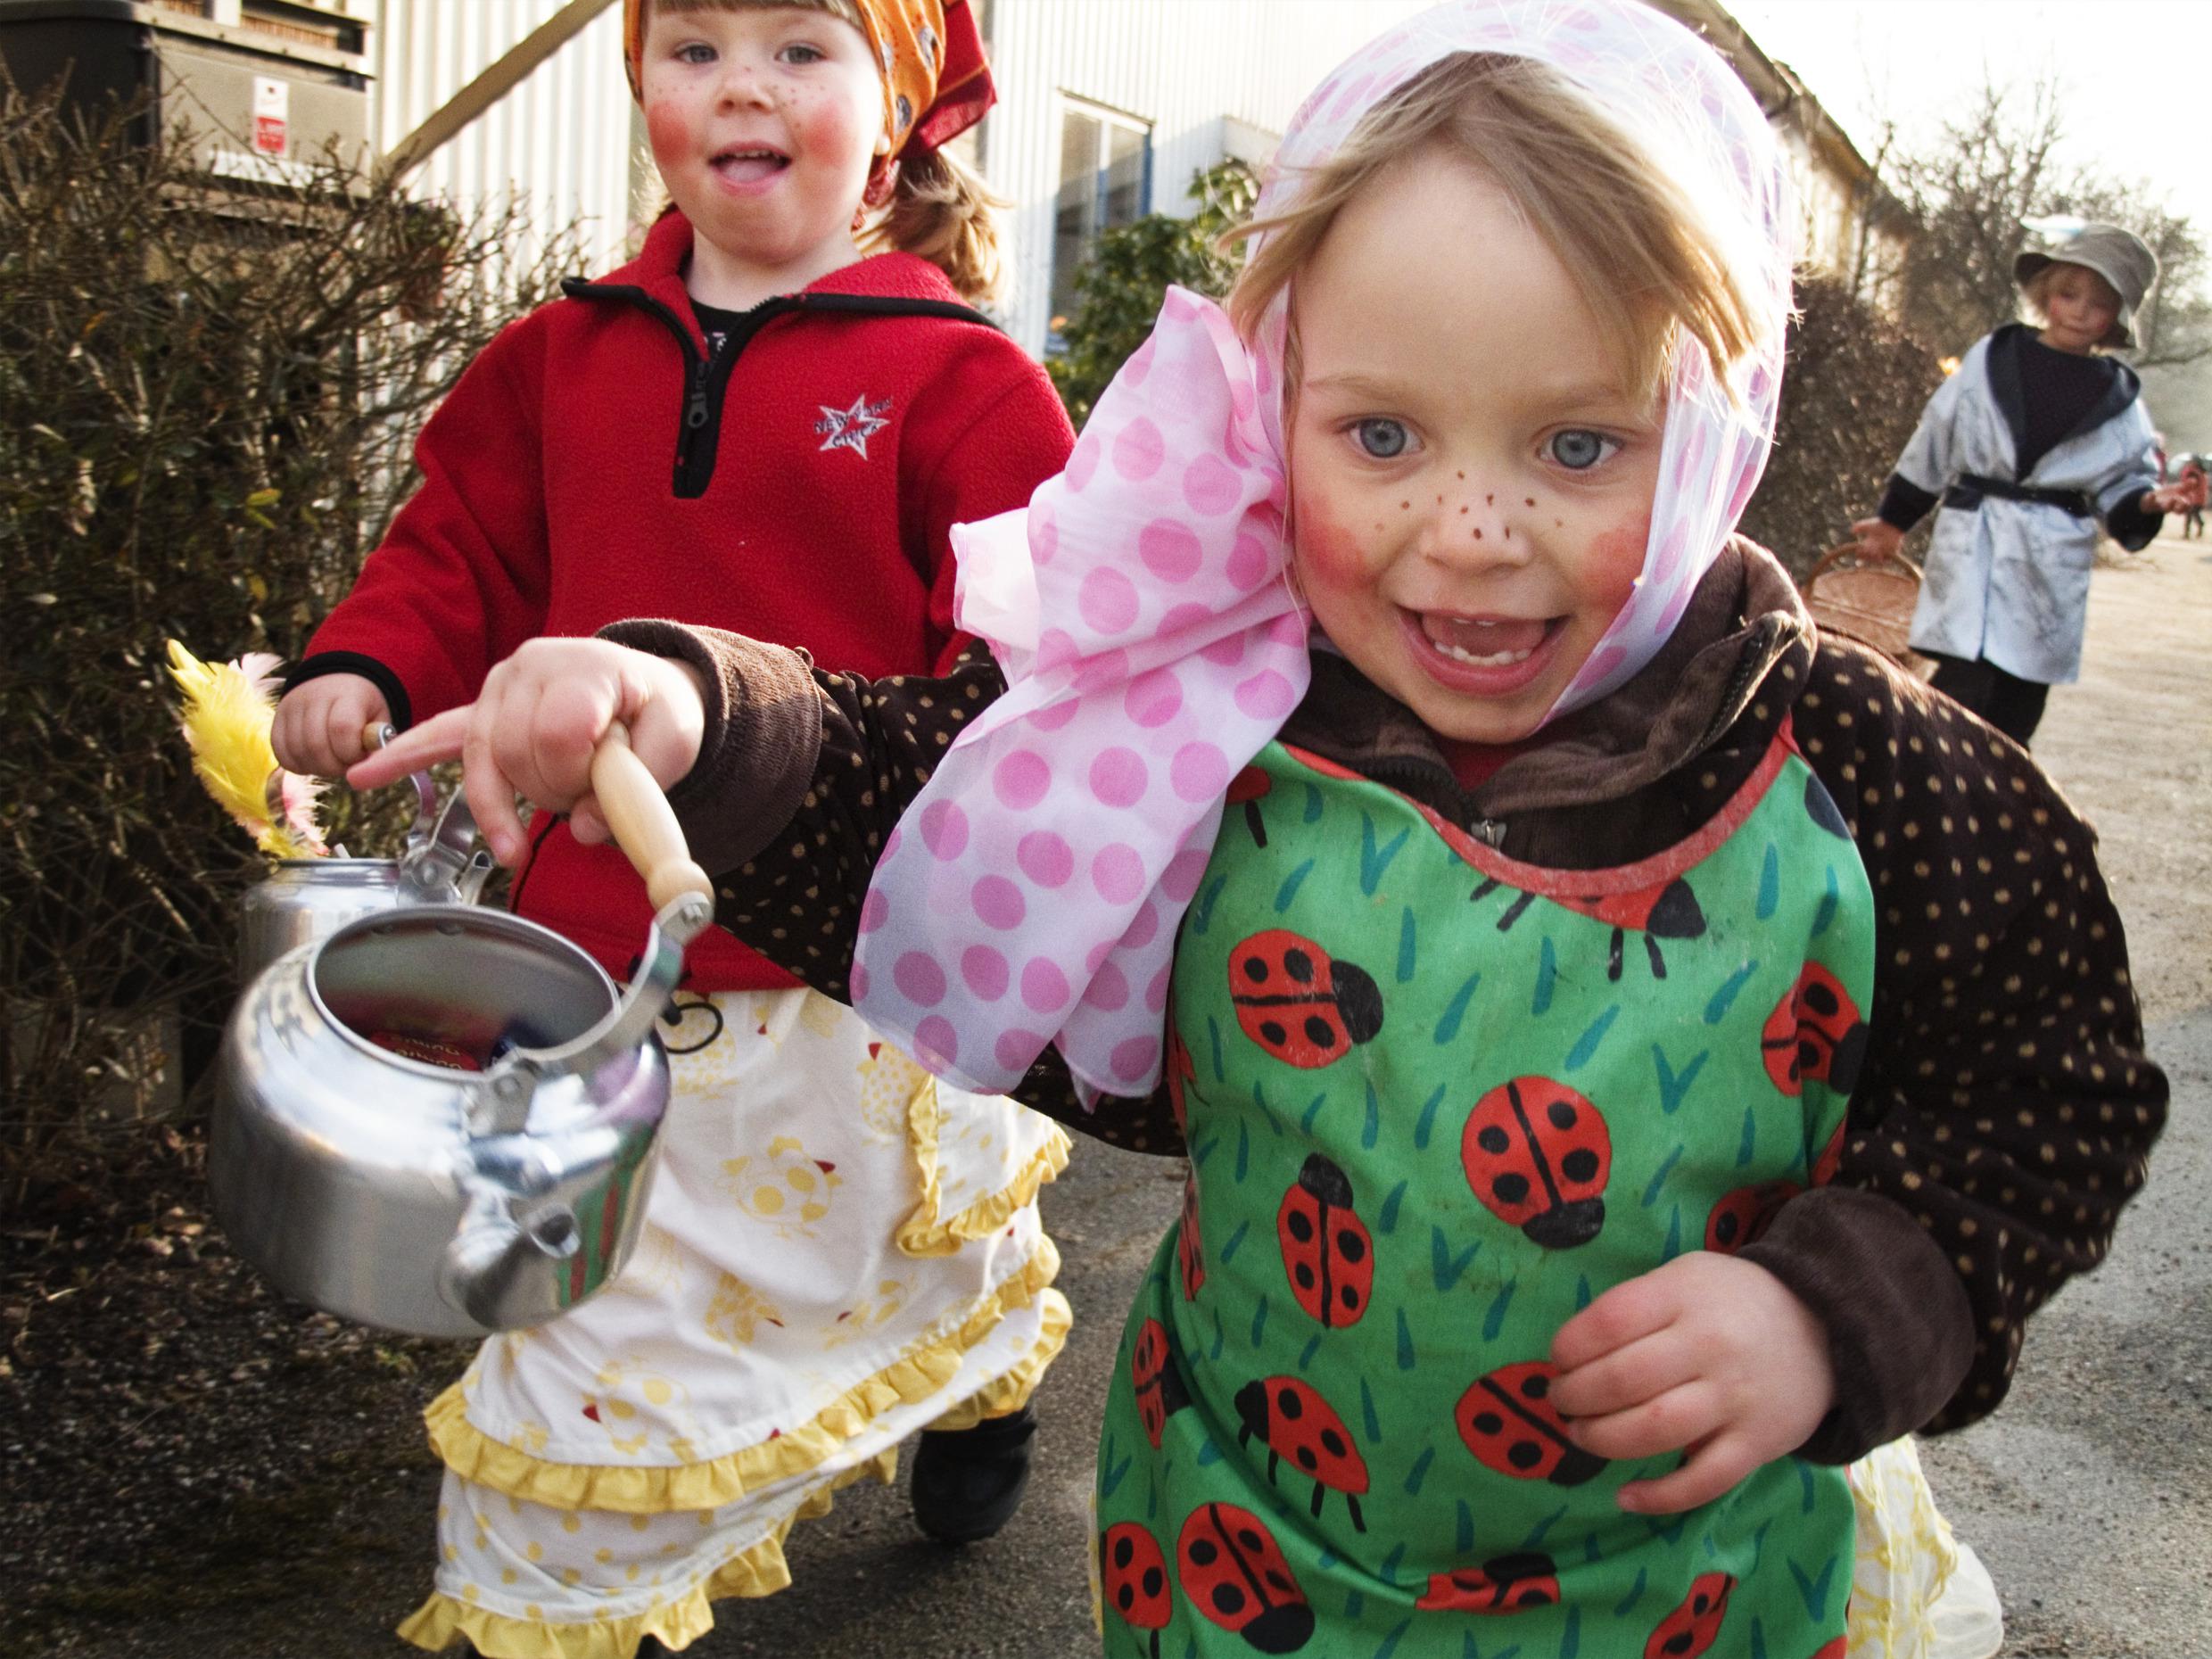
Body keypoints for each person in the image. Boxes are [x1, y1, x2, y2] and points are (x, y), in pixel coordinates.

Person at [358, 3, 2167, 1653]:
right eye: (1378, 435)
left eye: (1579, 447)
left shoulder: (1873, 781)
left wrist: (1848, 1308)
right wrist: (688, 709)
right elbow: (919, 780)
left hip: (1678, 1593)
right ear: (1270, 407)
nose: (1468, 528)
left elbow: (2048, 1083)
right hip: (1248, 1558)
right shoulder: (1212, 718)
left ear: (1714, 424)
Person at [274, 2, 1077, 1653]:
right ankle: (549, 1597)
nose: (741, 89)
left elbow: (1029, 676)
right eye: (693, 45)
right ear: (641, 84)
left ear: (902, 102)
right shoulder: (559, 356)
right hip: (599, 971)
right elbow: (461, 549)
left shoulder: (963, 382)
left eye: (801, 45)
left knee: (915, 1251)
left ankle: (983, 1382)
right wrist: (366, 659)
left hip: (850, 977)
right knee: (587, 1375)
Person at [1852, 222, 2197, 746]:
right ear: (2045, 295)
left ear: (2116, 318)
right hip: (1975, 540)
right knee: (1958, 685)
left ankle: (2001, 801)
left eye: (2098, 304)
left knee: (2020, 697)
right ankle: (1934, 788)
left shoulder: (2119, 399)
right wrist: (1894, 519)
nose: (2080, 311)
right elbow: (1937, 438)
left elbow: (2123, 480)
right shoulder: (1992, 358)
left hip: (2048, 557)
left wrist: (2149, 500)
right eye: (2068, 294)